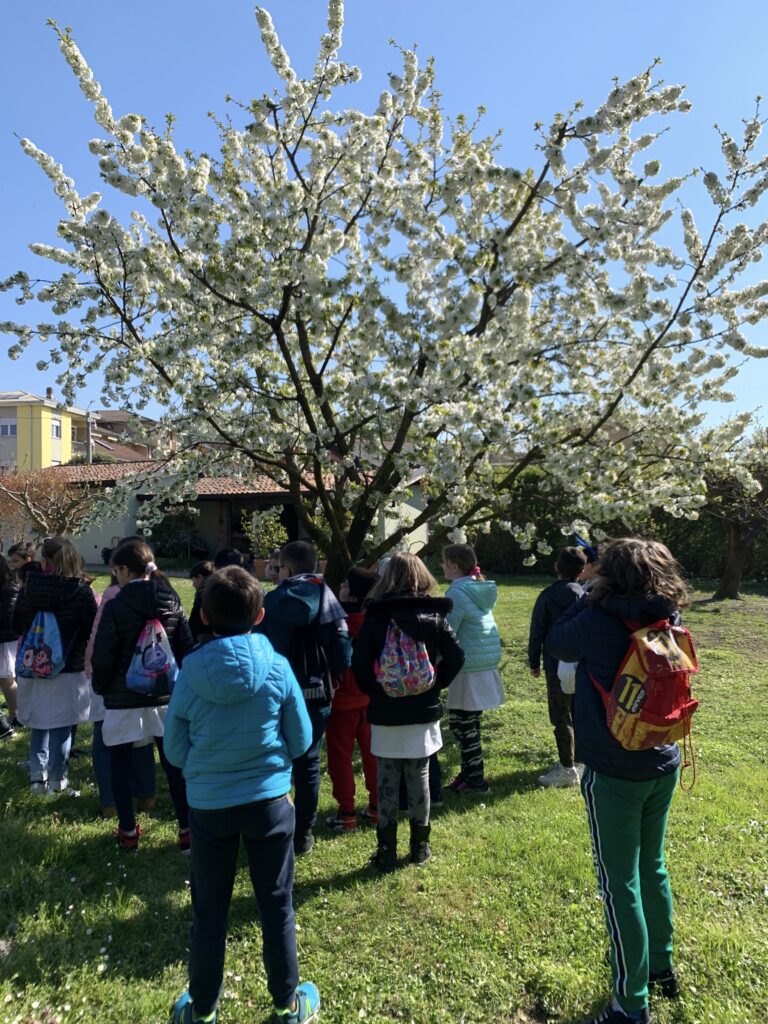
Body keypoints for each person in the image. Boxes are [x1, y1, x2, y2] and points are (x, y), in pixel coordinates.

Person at [164, 566, 319, 1024]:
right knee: (276, 904)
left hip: (209, 806)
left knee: (209, 910)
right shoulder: (278, 667)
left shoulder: (189, 673)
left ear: (204, 615)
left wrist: (206, 769)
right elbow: (302, 739)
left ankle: (202, 1010)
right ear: (260, 615)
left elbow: (174, 749)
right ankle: (287, 1004)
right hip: (269, 804)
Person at [546, 538, 688, 1024]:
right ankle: (661, 968)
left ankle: (630, 1004)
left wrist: (587, 594)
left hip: (613, 767)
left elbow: (557, 641)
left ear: (609, 574)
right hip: (662, 756)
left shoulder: (596, 615)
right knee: (653, 866)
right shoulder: (668, 614)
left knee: (619, 884)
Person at [352, 553, 464, 871]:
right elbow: (456, 655)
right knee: (420, 776)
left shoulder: (376, 615)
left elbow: (359, 662)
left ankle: (386, 851)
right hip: (423, 709)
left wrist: (376, 690)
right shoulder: (434, 615)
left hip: (386, 710)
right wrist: (435, 685)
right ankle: (420, 848)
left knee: (387, 778)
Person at [91, 539, 193, 851]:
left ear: (124, 570)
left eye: (116, 571)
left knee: (120, 764)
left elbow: (104, 655)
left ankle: (128, 831)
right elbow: (186, 647)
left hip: (124, 698)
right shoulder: (171, 599)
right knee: (174, 765)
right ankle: (187, 830)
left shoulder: (116, 604)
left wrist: (103, 687)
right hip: (165, 697)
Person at [257, 540, 351, 855]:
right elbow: (342, 646)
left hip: (275, 691)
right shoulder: (327, 597)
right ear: (315, 566)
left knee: (273, 758)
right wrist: (335, 675)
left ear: (286, 569)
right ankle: (303, 835)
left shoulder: (270, 600)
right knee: (308, 762)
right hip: (316, 692)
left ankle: (272, 825)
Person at [13, 537, 97, 795]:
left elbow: (17, 623)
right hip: (68, 666)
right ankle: (57, 781)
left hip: (33, 665)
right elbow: (90, 628)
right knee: (62, 725)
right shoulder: (81, 591)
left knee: (39, 722)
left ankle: (37, 778)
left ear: (44, 560)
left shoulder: (29, 588)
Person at [84, 572, 156, 818]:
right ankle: (146, 794)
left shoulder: (113, 595)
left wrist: (92, 669)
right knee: (142, 738)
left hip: (114, 680)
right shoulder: (159, 592)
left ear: (121, 569)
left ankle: (110, 802)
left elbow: (99, 638)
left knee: (104, 743)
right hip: (146, 676)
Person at [441, 544, 504, 795]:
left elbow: (447, 631)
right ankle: (469, 774)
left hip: (469, 669)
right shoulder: (475, 588)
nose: (442, 566)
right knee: (466, 724)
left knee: (464, 727)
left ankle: (477, 781)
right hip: (480, 665)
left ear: (454, 566)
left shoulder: (458, 593)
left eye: (445, 562)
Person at [324, 567, 379, 831]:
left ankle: (346, 813)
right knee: (374, 754)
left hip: (341, 702)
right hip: (370, 699)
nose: (340, 589)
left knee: (340, 758)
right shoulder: (376, 622)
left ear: (354, 596)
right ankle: (377, 807)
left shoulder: (336, 622)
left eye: (345, 586)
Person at [527, 546, 587, 787]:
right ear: (582, 571)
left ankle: (567, 767)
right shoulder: (585, 596)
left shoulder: (548, 596)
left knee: (561, 716)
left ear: (556, 567)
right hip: (582, 663)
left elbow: (537, 631)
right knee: (580, 713)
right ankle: (579, 761)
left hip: (555, 662)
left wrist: (534, 661)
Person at [0, 554, 21, 737]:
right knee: (8, 678)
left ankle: (15, 715)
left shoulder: (9, 590)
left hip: (6, 639)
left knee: (7, 679)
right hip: (8, 638)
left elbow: (6, 618)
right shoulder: (10, 587)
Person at [188, 561, 214, 643]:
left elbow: (195, 621)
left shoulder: (203, 594)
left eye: (193, 580)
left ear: (200, 577)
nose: (193, 584)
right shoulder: (219, 588)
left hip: (203, 637)